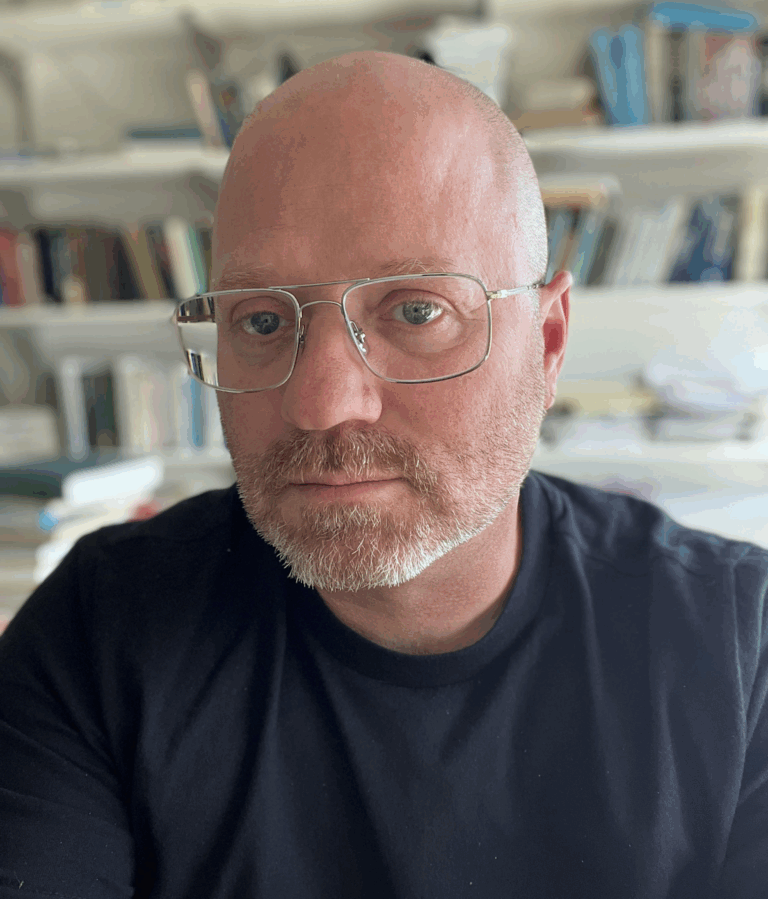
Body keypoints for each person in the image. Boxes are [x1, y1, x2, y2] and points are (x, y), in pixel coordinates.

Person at [0, 51, 766, 899]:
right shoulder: (98, 635)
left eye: (416, 310)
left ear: (547, 343)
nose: (322, 404)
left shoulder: (741, 647)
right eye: (261, 321)